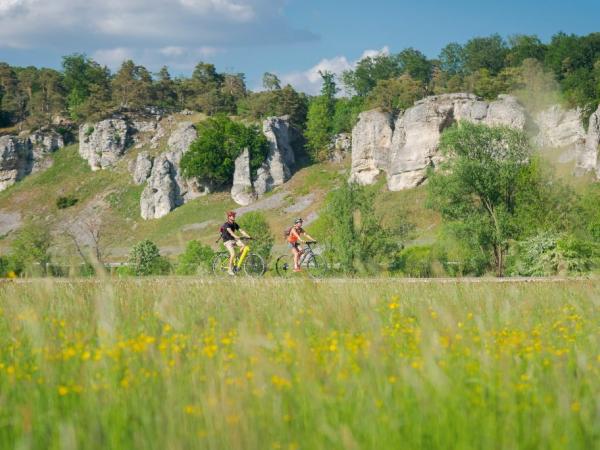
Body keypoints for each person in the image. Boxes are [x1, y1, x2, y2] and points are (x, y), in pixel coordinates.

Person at [221, 211, 250, 275]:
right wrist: (236, 236)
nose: (234, 216)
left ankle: (237, 258)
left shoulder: (234, 224)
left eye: (234, 215)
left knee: (244, 245)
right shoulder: (226, 224)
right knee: (233, 254)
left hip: (233, 240)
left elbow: (241, 230)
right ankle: (229, 269)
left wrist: (248, 236)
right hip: (227, 241)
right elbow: (231, 232)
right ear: (229, 217)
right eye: (233, 216)